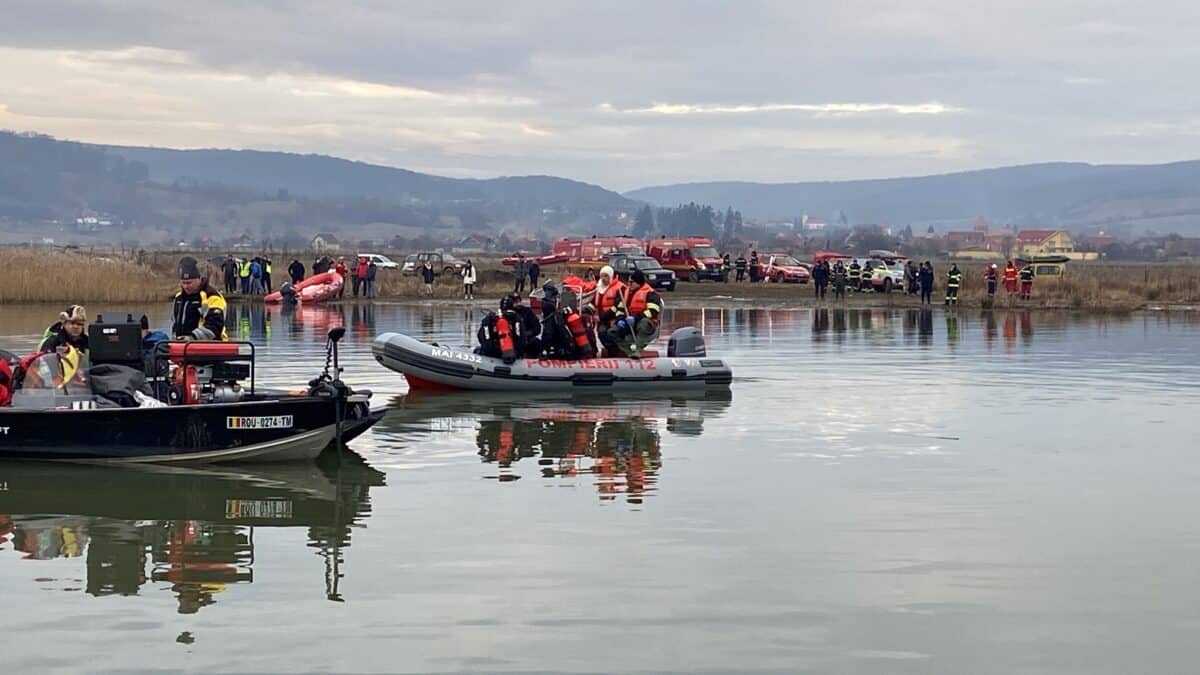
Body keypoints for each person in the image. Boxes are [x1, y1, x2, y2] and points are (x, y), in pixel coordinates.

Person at [172, 257, 228, 341]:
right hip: (183, 347)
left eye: (189, 283)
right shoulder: (178, 299)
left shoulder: (212, 297)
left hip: (210, 347)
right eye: (183, 283)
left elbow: (215, 326)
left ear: (198, 279)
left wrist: (192, 337)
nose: (186, 286)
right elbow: (175, 324)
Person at [611, 269, 662, 358]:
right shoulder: (625, 293)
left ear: (638, 282)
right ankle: (628, 351)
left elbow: (653, 312)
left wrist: (635, 318)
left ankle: (638, 350)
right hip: (629, 322)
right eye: (628, 282)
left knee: (643, 324)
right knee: (612, 332)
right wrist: (620, 320)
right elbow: (619, 310)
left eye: (631, 282)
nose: (629, 284)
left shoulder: (651, 294)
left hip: (646, 323)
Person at [593, 265, 627, 357]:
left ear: (611, 276)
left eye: (606, 276)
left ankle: (617, 353)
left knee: (610, 333)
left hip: (615, 318)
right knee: (602, 333)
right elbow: (593, 303)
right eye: (602, 276)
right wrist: (588, 311)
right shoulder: (599, 288)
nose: (603, 279)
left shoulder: (620, 288)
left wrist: (601, 317)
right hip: (602, 320)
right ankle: (613, 352)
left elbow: (617, 307)